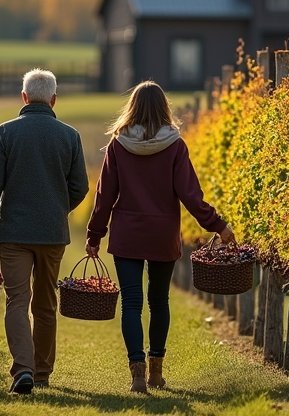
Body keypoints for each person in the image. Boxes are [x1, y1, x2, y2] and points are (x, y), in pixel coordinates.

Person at [85, 80, 234, 393]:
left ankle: (137, 372)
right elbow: (191, 196)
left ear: (133, 108)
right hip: (162, 234)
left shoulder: (118, 145)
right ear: (164, 108)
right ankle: (155, 371)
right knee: (159, 302)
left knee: (131, 304)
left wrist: (94, 235)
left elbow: (105, 197)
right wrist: (218, 225)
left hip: (127, 235)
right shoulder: (175, 146)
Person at [0, 68, 89, 395]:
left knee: (17, 301)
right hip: (52, 234)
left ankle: (22, 369)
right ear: (54, 99)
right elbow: (80, 186)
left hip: (13, 234)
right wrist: (56, 208)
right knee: (47, 304)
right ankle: (42, 372)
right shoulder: (70, 135)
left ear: (23, 97)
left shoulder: (6, 133)